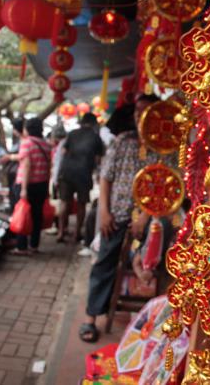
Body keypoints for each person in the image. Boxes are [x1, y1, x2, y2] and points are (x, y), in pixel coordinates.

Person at [79, 94, 161, 343]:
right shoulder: (123, 141)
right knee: (104, 262)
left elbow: (167, 186)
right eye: (137, 110)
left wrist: (145, 217)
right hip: (117, 214)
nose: (140, 115)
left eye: (146, 111)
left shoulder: (165, 146)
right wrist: (104, 211)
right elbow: (106, 177)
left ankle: (156, 320)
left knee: (159, 251)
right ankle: (91, 318)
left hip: (151, 217)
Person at [57, 113, 104, 243]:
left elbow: (63, 152)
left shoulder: (72, 134)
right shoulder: (96, 137)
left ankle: (61, 232)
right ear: (94, 123)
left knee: (64, 202)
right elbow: (98, 159)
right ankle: (77, 233)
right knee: (81, 204)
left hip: (66, 172)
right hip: (84, 173)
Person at [11, 117, 52, 255]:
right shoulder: (46, 145)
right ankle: (34, 245)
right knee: (36, 215)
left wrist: (23, 189)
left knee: (23, 213)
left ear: (27, 129)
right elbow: (48, 167)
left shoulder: (26, 143)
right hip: (42, 184)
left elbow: (27, 165)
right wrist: (47, 187)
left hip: (27, 184)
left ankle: (21, 247)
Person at [0, 117, 25, 213]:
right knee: (14, 194)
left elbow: (22, 156)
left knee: (15, 194)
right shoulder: (20, 140)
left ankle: (16, 215)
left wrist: (9, 157)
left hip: (18, 172)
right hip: (15, 171)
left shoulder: (24, 141)